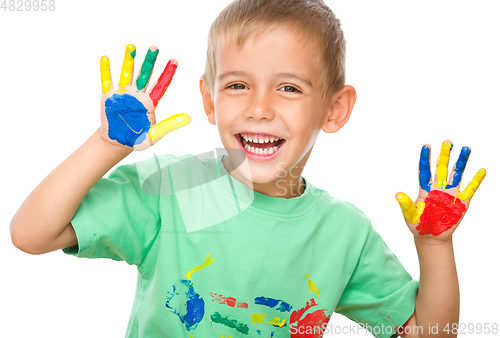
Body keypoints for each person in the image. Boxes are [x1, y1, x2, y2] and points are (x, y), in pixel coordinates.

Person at [10, 0, 485, 337]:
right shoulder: (174, 189)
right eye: (238, 85)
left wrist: (435, 244)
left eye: (289, 88)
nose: (259, 108)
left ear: (335, 109)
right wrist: (106, 145)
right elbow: (31, 234)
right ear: (208, 100)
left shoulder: (344, 233)